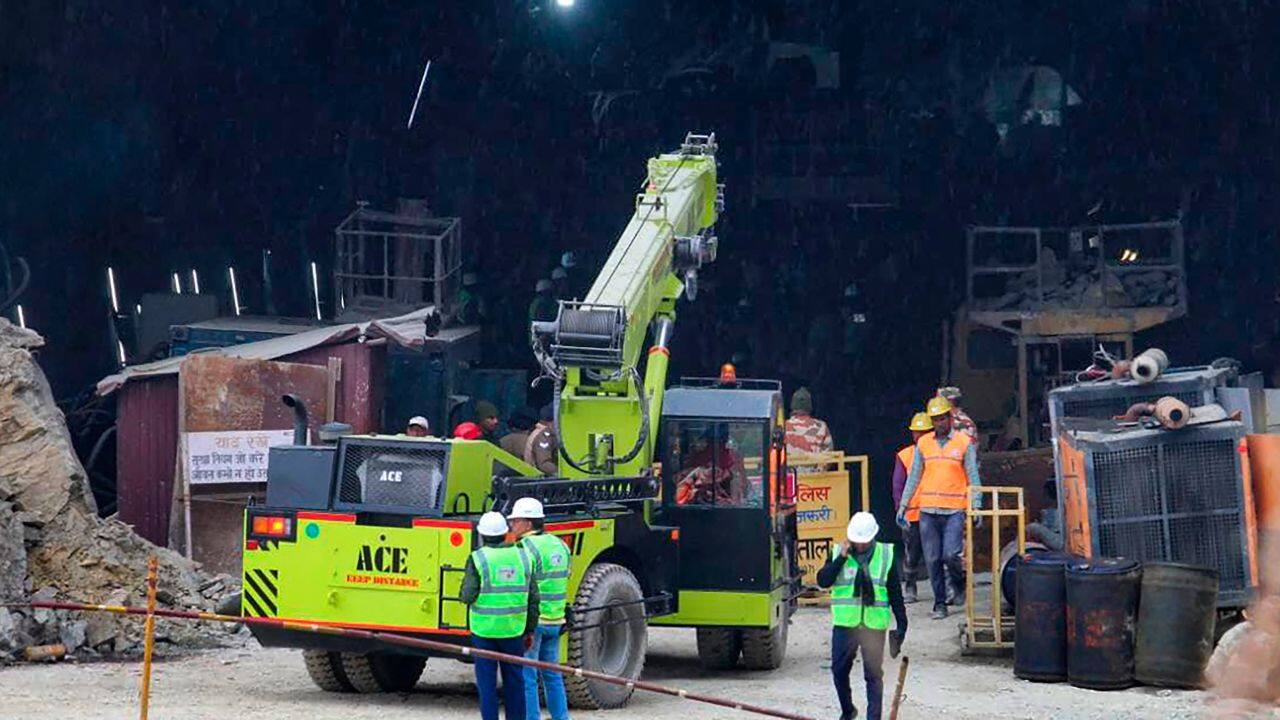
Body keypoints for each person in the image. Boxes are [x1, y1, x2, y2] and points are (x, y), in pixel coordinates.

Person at [895, 396, 982, 619]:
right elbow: (914, 477)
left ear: (950, 418)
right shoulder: (924, 444)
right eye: (936, 419)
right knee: (932, 559)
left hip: (954, 510)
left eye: (943, 418)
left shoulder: (963, 442)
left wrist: (977, 505)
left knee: (951, 555)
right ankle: (940, 603)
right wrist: (903, 506)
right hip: (928, 511)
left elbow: (972, 474)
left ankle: (958, 584)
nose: (940, 422)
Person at [817, 512, 908, 720]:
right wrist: (841, 559)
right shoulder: (838, 553)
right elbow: (823, 580)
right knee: (839, 671)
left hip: (873, 625)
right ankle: (848, 711)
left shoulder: (886, 555)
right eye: (856, 541)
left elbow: (895, 592)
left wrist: (902, 623)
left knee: (873, 675)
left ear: (872, 538)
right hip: (845, 624)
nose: (859, 545)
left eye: (863, 542)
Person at [460, 511, 538, 720]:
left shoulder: (478, 558)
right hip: (514, 630)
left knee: (487, 687)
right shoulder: (524, 556)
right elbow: (533, 599)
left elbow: (467, 595)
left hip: (484, 632)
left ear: (481, 534)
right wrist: (530, 630)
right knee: (515, 683)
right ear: (506, 533)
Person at [509, 498, 571, 720]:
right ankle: (561, 717)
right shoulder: (560, 545)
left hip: (534, 624)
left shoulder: (524, 548)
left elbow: (520, 587)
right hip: (556, 620)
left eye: (515, 521)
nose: (512, 527)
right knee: (552, 675)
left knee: (527, 677)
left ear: (527, 523)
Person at [891, 412, 933, 604]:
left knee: (936, 553)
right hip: (913, 513)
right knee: (912, 553)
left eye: (925, 432)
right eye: (918, 433)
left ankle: (944, 590)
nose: (921, 436)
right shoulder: (905, 455)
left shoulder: (937, 453)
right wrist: (901, 510)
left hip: (933, 510)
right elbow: (898, 486)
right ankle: (910, 587)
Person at [784, 387, 834, 459]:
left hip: (788, 469)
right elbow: (828, 455)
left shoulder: (782, 427)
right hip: (815, 469)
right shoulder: (821, 426)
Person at [524, 404, 559, 476]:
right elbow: (544, 463)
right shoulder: (544, 435)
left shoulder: (539, 432)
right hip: (541, 480)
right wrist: (563, 473)